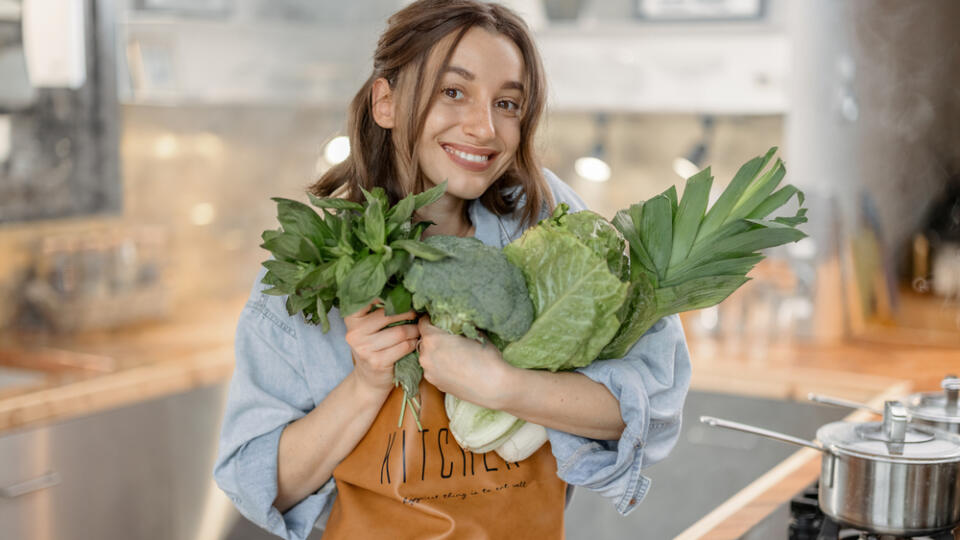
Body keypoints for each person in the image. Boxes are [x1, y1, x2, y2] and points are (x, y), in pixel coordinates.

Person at [214, 1, 690, 538]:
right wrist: (366, 384)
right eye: (453, 91)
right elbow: (260, 484)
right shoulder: (315, 263)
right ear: (385, 101)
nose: (484, 128)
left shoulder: (549, 219)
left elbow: (654, 406)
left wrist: (505, 386)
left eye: (508, 103)